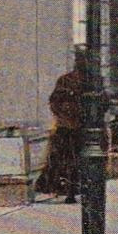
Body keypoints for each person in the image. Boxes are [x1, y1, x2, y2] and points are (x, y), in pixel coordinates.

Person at [35, 57, 83, 202]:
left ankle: (67, 189)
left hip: (70, 126)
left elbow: (54, 101)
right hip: (73, 127)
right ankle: (69, 189)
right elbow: (54, 101)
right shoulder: (73, 81)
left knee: (64, 160)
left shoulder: (67, 80)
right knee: (69, 161)